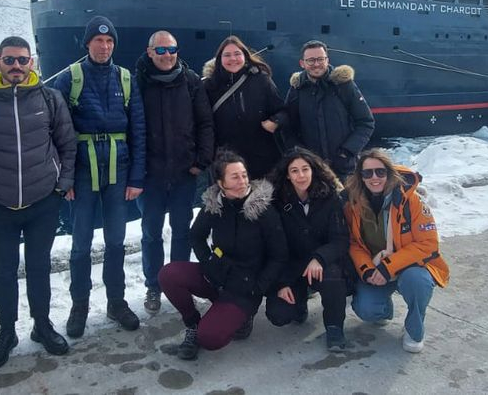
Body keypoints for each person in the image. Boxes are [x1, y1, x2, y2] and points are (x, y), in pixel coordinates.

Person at [0, 36, 77, 370]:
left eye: (23, 60)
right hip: (0, 205)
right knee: (5, 273)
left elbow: (67, 145)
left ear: (32, 63)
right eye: (9, 60)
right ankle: (6, 333)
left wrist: (62, 184)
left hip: (43, 202)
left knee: (40, 268)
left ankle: (42, 325)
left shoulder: (50, 100)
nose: (16, 67)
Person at [48, 15, 146, 337]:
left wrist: (136, 177)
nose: (104, 47)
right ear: (87, 44)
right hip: (82, 172)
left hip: (119, 169)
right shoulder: (70, 78)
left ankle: (116, 302)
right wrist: (64, 179)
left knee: (116, 241)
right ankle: (80, 305)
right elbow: (54, 130)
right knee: (81, 244)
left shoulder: (126, 79)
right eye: (98, 41)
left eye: (109, 42)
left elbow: (138, 131)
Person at [158, 150, 288, 360]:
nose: (242, 181)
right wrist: (208, 261)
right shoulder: (214, 205)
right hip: (218, 275)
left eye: (244, 175)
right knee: (169, 274)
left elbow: (279, 255)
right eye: (235, 176)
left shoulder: (264, 210)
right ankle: (192, 324)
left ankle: (242, 317)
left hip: (246, 287)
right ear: (221, 183)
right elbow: (196, 236)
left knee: (210, 339)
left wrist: (258, 287)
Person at [134, 30, 214, 314]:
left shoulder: (191, 82)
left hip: (183, 172)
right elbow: (131, 127)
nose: (167, 55)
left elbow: (205, 123)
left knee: (182, 230)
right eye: (161, 50)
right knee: (151, 231)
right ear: (149, 51)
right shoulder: (138, 82)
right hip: (150, 175)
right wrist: (136, 169)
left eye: (172, 50)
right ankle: (154, 286)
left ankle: (179, 283)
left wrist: (201, 161)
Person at [343, 149, 449, 353]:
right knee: (366, 311)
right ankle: (383, 309)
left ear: (389, 172)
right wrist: (366, 269)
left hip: (410, 266)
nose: (374, 178)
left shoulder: (412, 201)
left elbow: (427, 244)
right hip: (375, 264)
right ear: (360, 176)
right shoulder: (353, 205)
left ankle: (414, 328)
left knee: (417, 282)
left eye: (380, 172)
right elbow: (354, 243)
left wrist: (387, 268)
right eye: (367, 173)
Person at [264, 148, 351, 352]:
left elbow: (340, 239)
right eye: (294, 171)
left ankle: (334, 326)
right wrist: (281, 283)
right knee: (279, 315)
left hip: (322, 264)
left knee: (332, 276)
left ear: (313, 170)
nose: (301, 175)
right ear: (287, 175)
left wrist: (319, 258)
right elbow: (274, 247)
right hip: (292, 267)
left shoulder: (330, 198)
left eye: (305, 169)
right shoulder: (276, 202)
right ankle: (299, 304)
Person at [281, 40, 375, 177]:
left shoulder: (343, 85)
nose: (316, 64)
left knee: (348, 199)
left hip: (345, 168)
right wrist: (301, 154)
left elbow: (366, 122)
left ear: (327, 59)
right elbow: (288, 128)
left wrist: (346, 152)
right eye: (311, 60)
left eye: (320, 59)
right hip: (313, 169)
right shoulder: (297, 89)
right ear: (302, 63)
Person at [201, 35, 284, 179]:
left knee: (262, 199)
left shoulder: (261, 80)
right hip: (226, 162)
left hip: (262, 158)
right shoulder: (209, 86)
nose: (233, 59)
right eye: (227, 55)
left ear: (245, 56)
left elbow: (282, 110)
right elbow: (203, 122)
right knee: (230, 199)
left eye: (237, 54)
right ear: (219, 59)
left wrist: (275, 121)